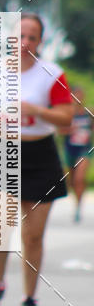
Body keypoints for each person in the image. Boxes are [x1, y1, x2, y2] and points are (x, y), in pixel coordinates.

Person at [0, 13, 73, 306]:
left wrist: (36, 110)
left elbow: (67, 117)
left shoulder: (52, 73)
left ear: (40, 41)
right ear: (10, 38)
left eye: (32, 37)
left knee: (33, 235)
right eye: (20, 36)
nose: (25, 42)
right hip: (4, 151)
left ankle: (29, 298)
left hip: (40, 154)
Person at [60, 86, 92, 222]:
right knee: (72, 181)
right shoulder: (66, 113)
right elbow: (58, 130)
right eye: (75, 95)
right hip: (69, 149)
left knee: (79, 178)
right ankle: (76, 202)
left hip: (84, 149)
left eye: (80, 94)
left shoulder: (88, 112)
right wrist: (69, 129)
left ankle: (78, 208)